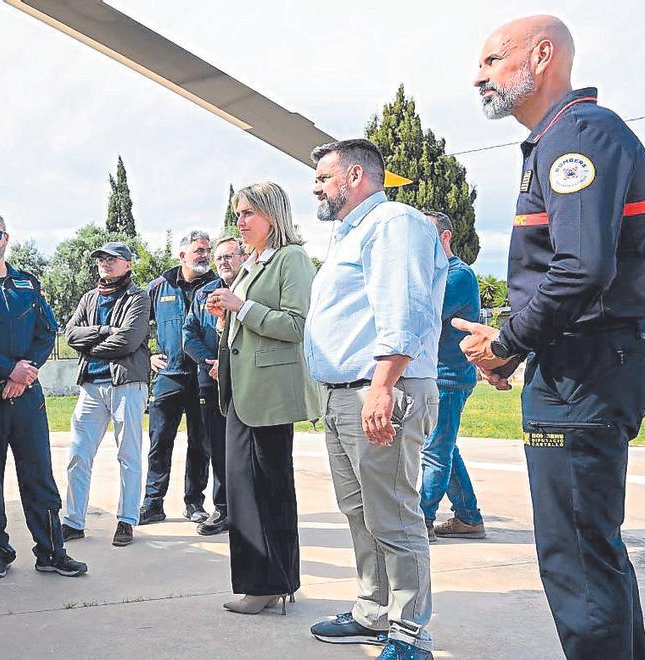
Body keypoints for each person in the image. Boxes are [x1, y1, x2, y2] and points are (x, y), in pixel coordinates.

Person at [459, 16, 645, 659]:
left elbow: (581, 268)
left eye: (493, 59)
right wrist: (517, 342)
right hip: (580, 359)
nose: (479, 75)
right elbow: (570, 270)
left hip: (588, 364)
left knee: (577, 559)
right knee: (590, 550)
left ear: (542, 56)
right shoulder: (562, 138)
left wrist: (509, 342)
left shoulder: (578, 135)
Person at [303, 139, 447, 660]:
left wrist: (382, 386)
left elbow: (402, 310)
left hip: (381, 389)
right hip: (347, 393)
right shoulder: (353, 234)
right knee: (360, 511)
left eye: (323, 177)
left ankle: (410, 634)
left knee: (393, 514)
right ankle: (374, 612)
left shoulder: (394, 224)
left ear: (357, 176)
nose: (316, 186)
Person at [0, 211, 87, 579]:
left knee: (39, 473)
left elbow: (47, 331)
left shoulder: (27, 283)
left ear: (6, 237)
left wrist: (24, 375)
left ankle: (52, 551)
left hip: (26, 396)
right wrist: (8, 370)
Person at [204, 182, 319, 615]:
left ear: (272, 215)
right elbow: (246, 327)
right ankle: (272, 581)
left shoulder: (292, 259)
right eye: (237, 214)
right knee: (247, 489)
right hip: (242, 392)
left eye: (248, 213)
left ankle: (269, 584)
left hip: (268, 396)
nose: (240, 222)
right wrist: (225, 317)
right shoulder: (254, 262)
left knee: (265, 490)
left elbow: (297, 325)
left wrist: (241, 306)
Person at [61, 241, 151, 547]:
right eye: (101, 259)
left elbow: (128, 341)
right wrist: (104, 331)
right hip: (92, 386)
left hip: (127, 384)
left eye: (112, 259)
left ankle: (126, 520)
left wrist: (93, 345)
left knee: (128, 455)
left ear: (127, 264)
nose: (105, 263)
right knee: (78, 454)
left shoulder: (138, 297)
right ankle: (73, 521)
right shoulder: (89, 298)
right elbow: (70, 335)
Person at [140, 231, 218, 525]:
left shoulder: (215, 286)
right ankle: (153, 503)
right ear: (182, 255)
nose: (204, 255)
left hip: (204, 377)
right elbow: (137, 326)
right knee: (160, 441)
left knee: (201, 443)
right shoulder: (159, 287)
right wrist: (147, 356)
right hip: (170, 376)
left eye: (207, 250)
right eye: (199, 250)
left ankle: (194, 503)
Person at [418, 211, 486, 542]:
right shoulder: (435, 274)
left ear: (445, 238)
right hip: (439, 375)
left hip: (448, 378)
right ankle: (468, 517)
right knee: (445, 448)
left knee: (434, 452)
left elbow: (424, 314)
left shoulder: (458, 276)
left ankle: (421, 521)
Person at [182, 236, 245, 536]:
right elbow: (188, 335)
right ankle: (223, 509)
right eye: (219, 258)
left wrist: (231, 364)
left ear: (243, 258)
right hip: (212, 382)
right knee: (218, 448)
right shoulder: (203, 294)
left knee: (249, 448)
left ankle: (249, 510)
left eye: (230, 256)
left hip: (248, 383)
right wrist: (211, 363)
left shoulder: (251, 289)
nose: (223, 262)